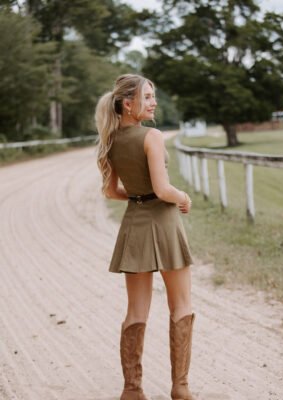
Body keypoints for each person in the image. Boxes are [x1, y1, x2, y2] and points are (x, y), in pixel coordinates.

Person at [95, 74, 196, 400]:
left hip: (135, 225)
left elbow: (111, 192)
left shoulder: (110, 141)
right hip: (165, 224)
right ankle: (180, 387)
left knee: (135, 311)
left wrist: (138, 197)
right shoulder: (152, 136)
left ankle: (132, 389)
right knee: (180, 304)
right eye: (148, 97)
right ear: (128, 103)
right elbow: (163, 189)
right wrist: (182, 196)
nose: (154, 102)